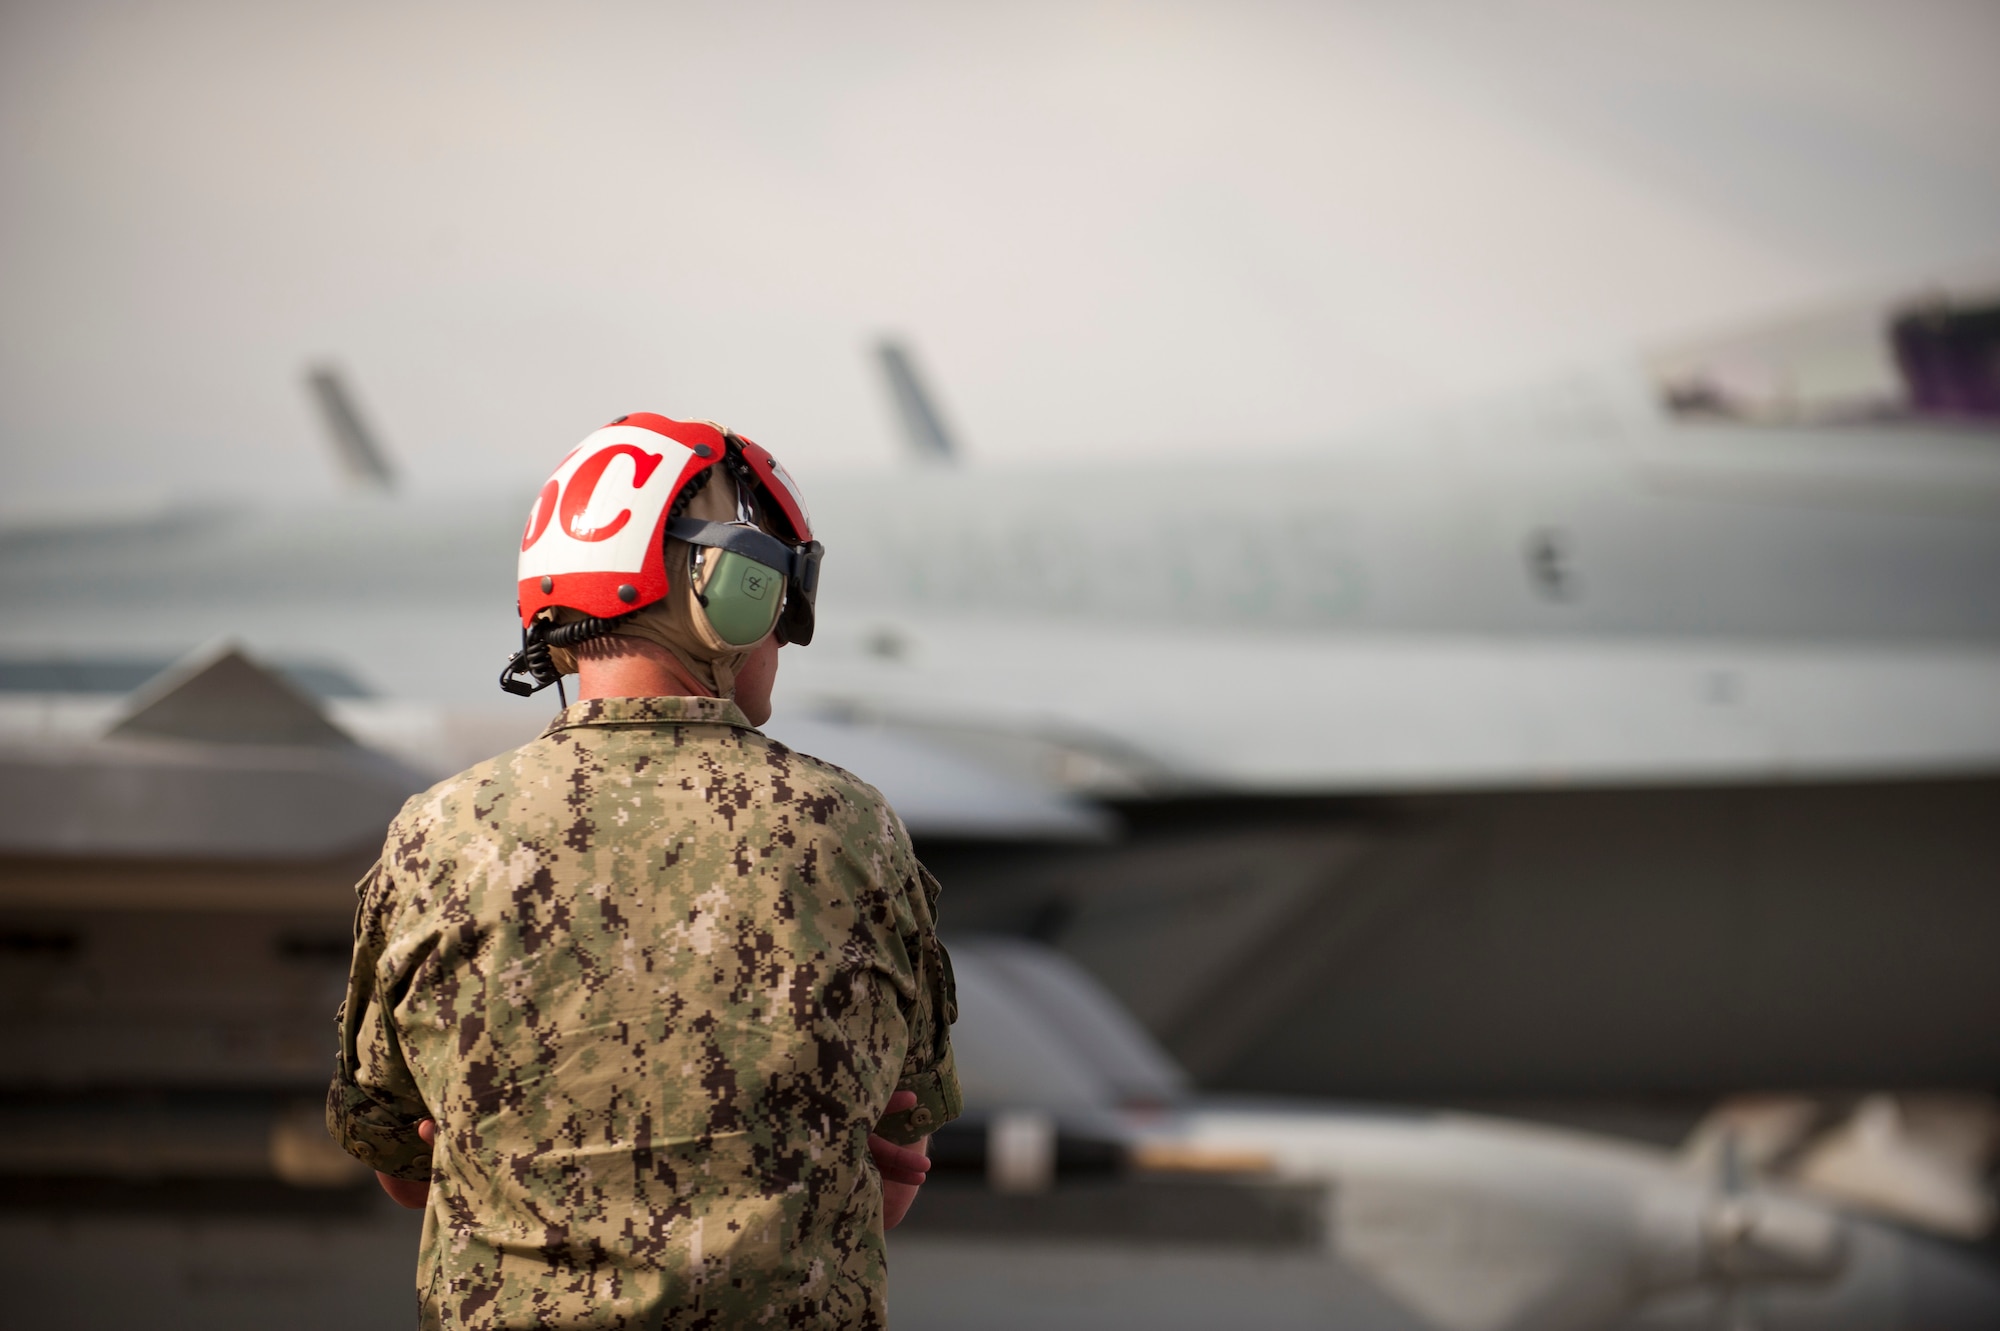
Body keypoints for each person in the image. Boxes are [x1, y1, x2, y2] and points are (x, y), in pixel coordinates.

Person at [327, 413, 961, 1329]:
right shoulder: (850, 829)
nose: (785, 632)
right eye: (779, 596)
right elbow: (907, 1120)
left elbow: (393, 1151)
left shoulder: (437, 834)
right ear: (730, 590)